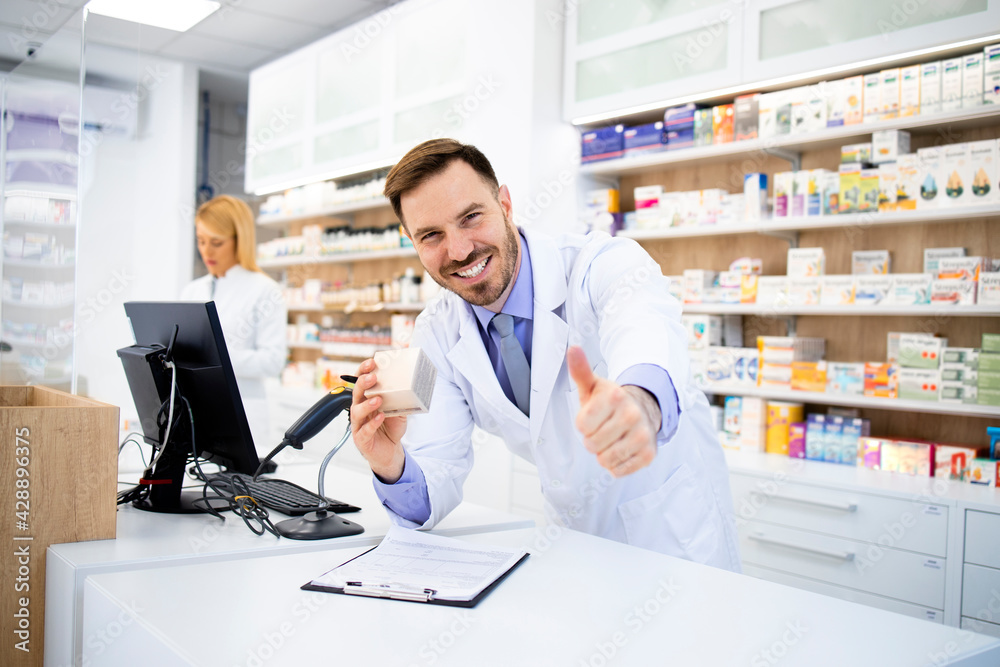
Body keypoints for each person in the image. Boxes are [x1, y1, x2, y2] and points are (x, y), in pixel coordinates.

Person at [349, 139, 740, 571]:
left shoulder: (599, 264)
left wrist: (639, 406)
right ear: (412, 241)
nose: (459, 251)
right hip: (573, 545)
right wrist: (391, 466)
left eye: (471, 217)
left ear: (505, 204)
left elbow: (645, 328)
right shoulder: (435, 334)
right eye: (432, 235)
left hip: (673, 535)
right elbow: (435, 474)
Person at [181, 195, 287, 456]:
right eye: (201, 241)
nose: (207, 251)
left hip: (245, 413)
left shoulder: (265, 290)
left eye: (216, 243)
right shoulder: (192, 291)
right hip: (198, 413)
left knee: (238, 492)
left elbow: (273, 361)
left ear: (240, 239)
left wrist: (217, 357)